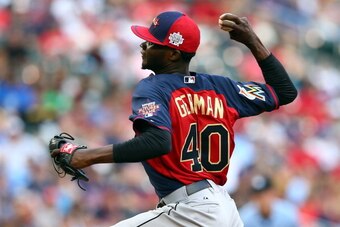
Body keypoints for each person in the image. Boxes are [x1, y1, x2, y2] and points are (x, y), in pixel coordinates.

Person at [50, 11, 298, 226]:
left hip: (195, 210)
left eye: (151, 42)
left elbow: (158, 141)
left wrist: (85, 156)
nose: (143, 45)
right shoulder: (221, 88)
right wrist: (252, 41)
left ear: (172, 54)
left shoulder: (154, 88)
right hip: (224, 210)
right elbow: (284, 91)